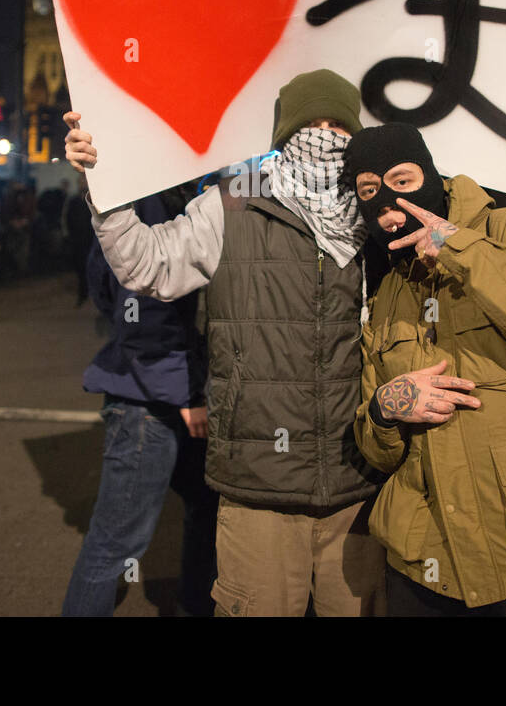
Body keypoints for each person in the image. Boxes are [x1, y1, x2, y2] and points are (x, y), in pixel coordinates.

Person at [67, 69, 387, 616]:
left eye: (339, 125)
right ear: (285, 135)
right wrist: (106, 185)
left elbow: (470, 249)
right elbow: (148, 266)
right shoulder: (231, 205)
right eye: (312, 124)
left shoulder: (374, 216)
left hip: (356, 482)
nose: (326, 136)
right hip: (257, 485)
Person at [346, 123, 506, 615]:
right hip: (427, 561)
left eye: (403, 183)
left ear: (433, 177)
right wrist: (386, 409)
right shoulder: (386, 296)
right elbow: (377, 451)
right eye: (369, 194)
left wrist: (461, 249)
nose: (389, 209)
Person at [63, 186, 218, 617]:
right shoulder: (153, 200)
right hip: (152, 399)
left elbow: (105, 293)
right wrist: (187, 392)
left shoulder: (143, 194)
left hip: (165, 390)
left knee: (207, 506)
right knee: (115, 540)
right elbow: (143, 318)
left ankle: (195, 603)